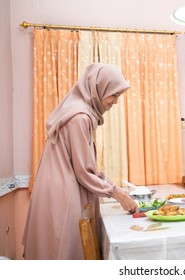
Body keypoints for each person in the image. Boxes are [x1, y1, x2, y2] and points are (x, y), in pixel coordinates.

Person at [23, 63, 139, 260]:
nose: (115, 102)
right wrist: (118, 194)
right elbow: (84, 172)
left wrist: (110, 185)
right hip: (63, 193)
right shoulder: (80, 117)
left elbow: (84, 163)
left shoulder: (76, 111)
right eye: (114, 95)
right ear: (98, 88)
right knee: (64, 253)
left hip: (54, 187)